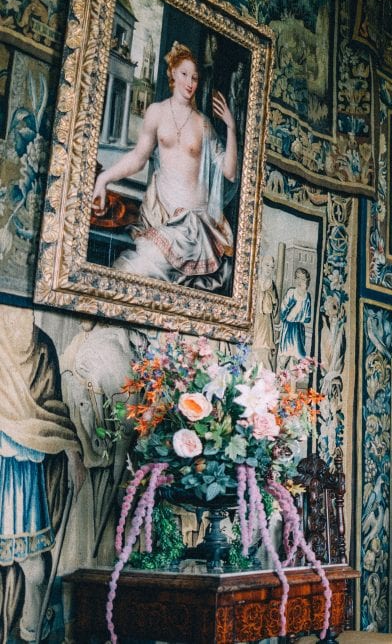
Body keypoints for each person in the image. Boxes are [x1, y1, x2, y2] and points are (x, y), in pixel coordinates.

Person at [91, 41, 238, 292]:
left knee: (154, 281)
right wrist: (103, 179)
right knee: (136, 274)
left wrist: (231, 128)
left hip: (195, 225)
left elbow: (230, 171)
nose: (190, 83)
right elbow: (138, 157)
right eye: (184, 74)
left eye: (194, 77)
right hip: (164, 219)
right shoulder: (156, 112)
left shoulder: (203, 124)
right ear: (172, 74)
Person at [0, 306, 84, 642]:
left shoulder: (43, 346)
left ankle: (31, 630)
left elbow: (53, 410)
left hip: (23, 471)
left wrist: (73, 454)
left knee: (33, 568)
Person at [277, 266, 312, 369]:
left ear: (307, 281)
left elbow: (307, 316)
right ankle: (280, 377)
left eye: (302, 279)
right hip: (288, 327)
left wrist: (301, 318)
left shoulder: (307, 296)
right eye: (297, 278)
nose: (299, 281)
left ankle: (293, 381)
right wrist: (288, 308)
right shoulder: (291, 292)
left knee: (297, 356)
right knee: (285, 355)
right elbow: (283, 309)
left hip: (298, 328)